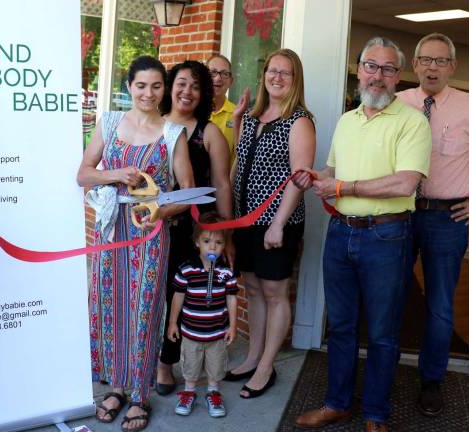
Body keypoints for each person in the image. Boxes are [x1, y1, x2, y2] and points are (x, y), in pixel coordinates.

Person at [293, 37, 431, 432]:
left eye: (388, 69)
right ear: (359, 70)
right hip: (341, 233)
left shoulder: (412, 122)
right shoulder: (347, 120)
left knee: (384, 333)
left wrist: (343, 188)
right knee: (340, 326)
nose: (378, 76)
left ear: (398, 77)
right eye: (371, 66)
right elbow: (335, 173)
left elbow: (405, 183)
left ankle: (376, 414)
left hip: (387, 238)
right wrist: (319, 178)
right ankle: (337, 403)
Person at [76, 55, 194, 432]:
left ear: (165, 89)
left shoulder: (173, 133)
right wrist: (117, 174)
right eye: (141, 86)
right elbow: (83, 174)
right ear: (129, 87)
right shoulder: (110, 122)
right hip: (111, 230)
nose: (148, 93)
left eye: (156, 86)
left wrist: (162, 213)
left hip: (150, 230)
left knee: (144, 308)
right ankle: (115, 387)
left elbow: (189, 193)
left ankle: (141, 394)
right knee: (108, 305)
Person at [396, 33, 469, 417]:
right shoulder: (398, 103)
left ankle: (432, 381)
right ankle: (384, 370)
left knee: (441, 306)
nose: (431, 67)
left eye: (440, 61)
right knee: (390, 295)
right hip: (400, 214)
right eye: (425, 59)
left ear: (452, 67)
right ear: (414, 64)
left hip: (448, 218)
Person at [224, 48, 316, 400]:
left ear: (295, 80)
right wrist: (236, 123)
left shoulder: (299, 120)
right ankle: (252, 357)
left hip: (278, 222)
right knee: (252, 288)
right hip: (246, 220)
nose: (276, 77)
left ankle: (266, 366)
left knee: (275, 293)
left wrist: (277, 224)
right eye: (272, 70)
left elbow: (299, 177)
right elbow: (241, 161)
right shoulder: (252, 115)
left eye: (286, 73)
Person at [155, 60, 233, 396]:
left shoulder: (208, 132)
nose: (187, 92)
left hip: (192, 230)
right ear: (170, 86)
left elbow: (222, 184)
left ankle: (165, 363)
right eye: (182, 83)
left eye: (196, 86)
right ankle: (135, 356)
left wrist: (227, 235)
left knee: (179, 294)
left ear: (204, 95)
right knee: (148, 294)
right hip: (148, 225)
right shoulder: (151, 125)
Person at [166, 212, 238, 418]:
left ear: (225, 245)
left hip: (217, 333)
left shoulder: (226, 273)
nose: (212, 247)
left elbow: (232, 298)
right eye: (207, 241)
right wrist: (173, 323)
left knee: (216, 367)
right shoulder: (187, 269)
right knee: (191, 365)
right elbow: (178, 296)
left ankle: (213, 393)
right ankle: (189, 392)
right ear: (197, 242)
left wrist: (233, 326)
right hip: (190, 332)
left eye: (218, 242)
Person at [207, 54, 249, 167]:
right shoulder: (192, 112)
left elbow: (241, 156)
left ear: (231, 81)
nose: (218, 78)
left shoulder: (239, 115)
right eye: (213, 72)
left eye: (225, 74)